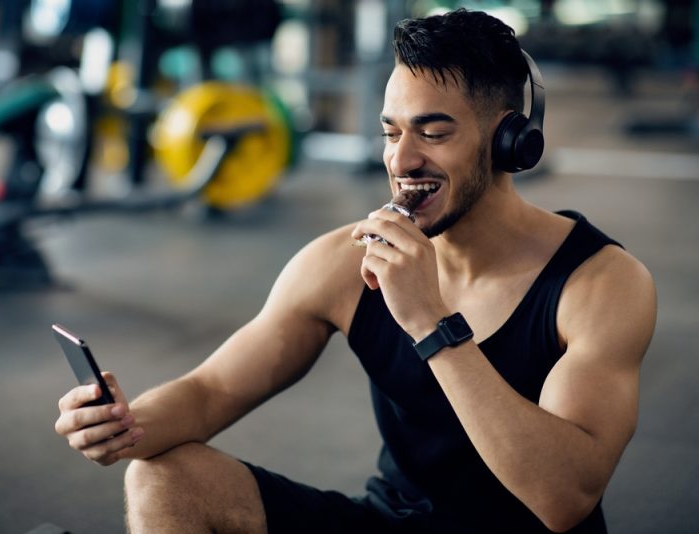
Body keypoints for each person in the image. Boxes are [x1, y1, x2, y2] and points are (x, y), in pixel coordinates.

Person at [55, 9, 656, 533]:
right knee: (162, 478)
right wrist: (125, 425)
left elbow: (563, 499)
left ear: (509, 141)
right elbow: (213, 391)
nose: (402, 159)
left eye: (434, 132)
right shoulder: (343, 262)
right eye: (391, 133)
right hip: (389, 521)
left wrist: (431, 321)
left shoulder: (600, 284)